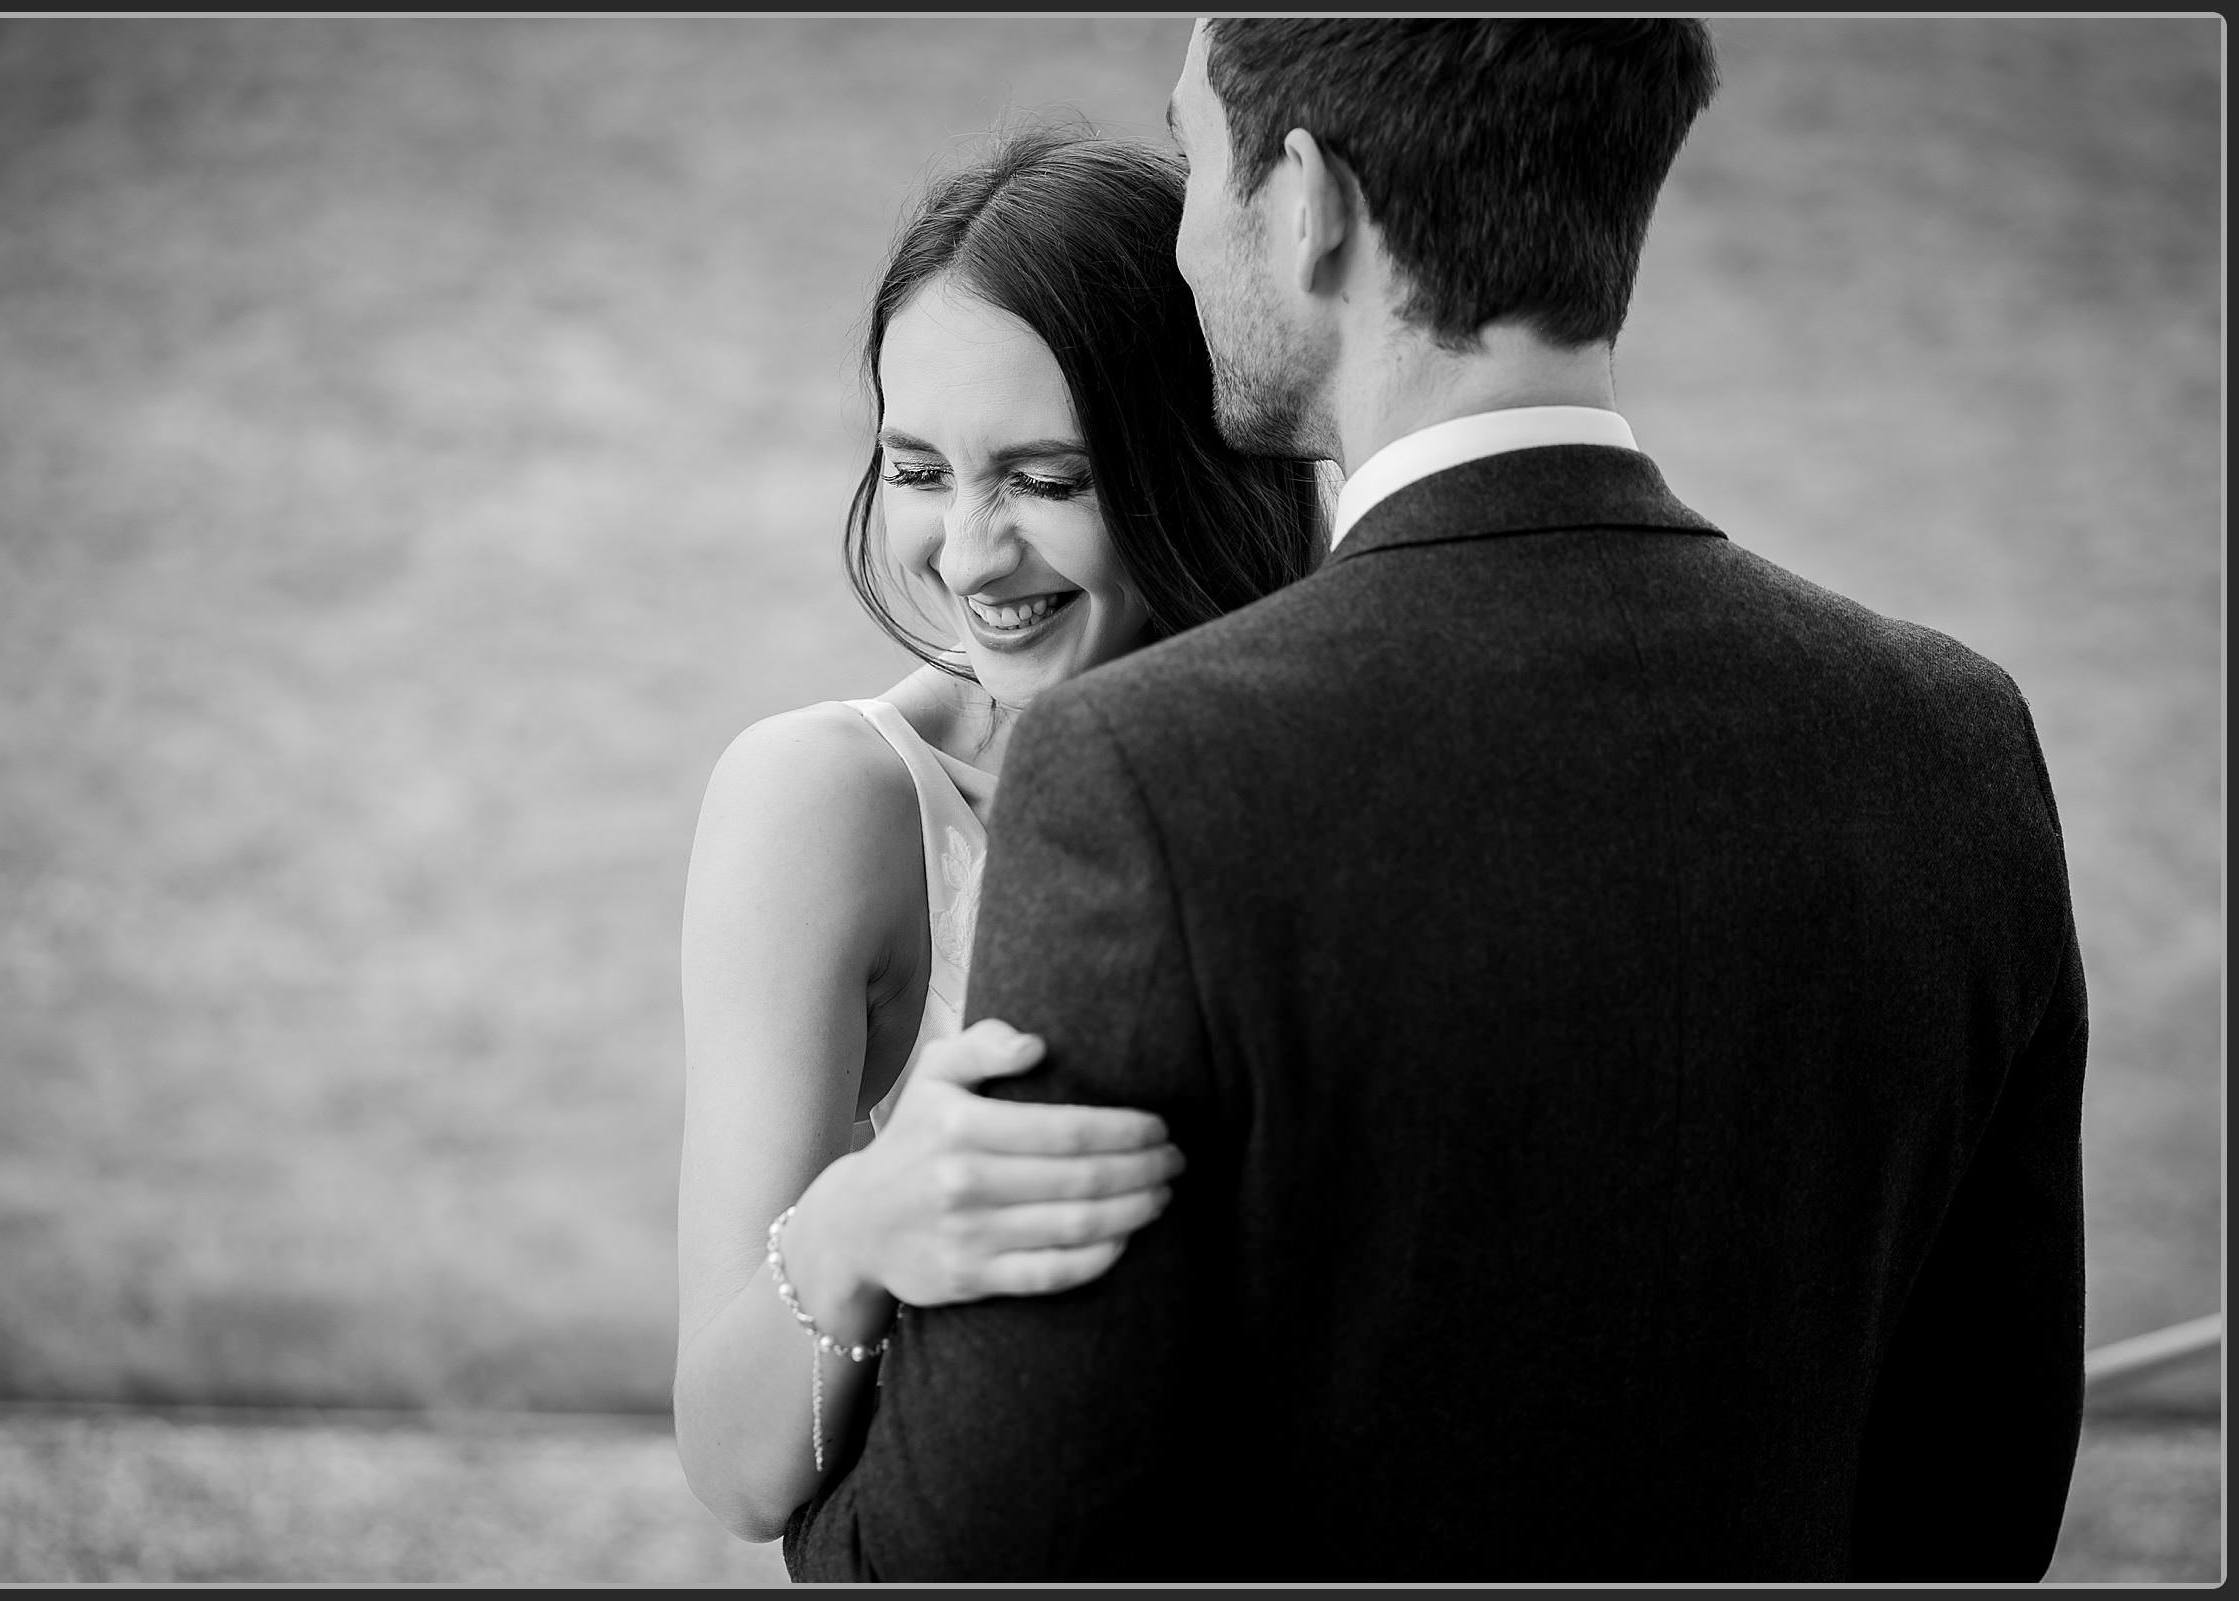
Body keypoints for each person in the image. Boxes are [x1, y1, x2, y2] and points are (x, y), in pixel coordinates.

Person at [785, 18, 2087, 1582]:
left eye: (1201, 165)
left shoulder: (1143, 776)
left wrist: (823, 1514)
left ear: (1312, 205)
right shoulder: (1956, 743)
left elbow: (975, 1543)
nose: (1189, 247)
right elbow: (1986, 1479)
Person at [673, 128, 1328, 1544]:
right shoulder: (827, 804)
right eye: (918, 470)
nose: (968, 554)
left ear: (1197, 468)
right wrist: (861, 1227)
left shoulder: (1345, 777)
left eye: (1044, 480)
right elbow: (731, 1467)